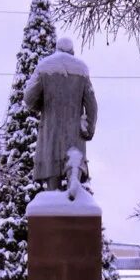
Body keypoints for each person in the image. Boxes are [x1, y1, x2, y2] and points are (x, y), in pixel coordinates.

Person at [24, 37, 98, 190]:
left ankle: (54, 202)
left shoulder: (45, 67)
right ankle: (73, 177)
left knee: (52, 176)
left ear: (57, 49)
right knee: (74, 159)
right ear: (72, 51)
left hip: (51, 131)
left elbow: (29, 98)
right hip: (74, 133)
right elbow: (92, 104)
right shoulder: (81, 70)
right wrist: (89, 129)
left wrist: (42, 107)